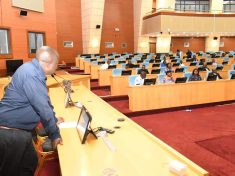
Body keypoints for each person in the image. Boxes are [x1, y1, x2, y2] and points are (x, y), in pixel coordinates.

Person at [0, 46, 63, 176]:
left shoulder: (32, 69)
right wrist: (54, 135)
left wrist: (55, 120)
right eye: (56, 64)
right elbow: (43, 108)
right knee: (12, 171)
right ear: (49, 63)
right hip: (10, 133)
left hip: (19, 131)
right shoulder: (32, 74)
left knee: (30, 163)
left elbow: (44, 102)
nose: (57, 67)